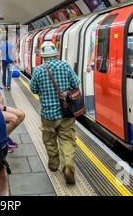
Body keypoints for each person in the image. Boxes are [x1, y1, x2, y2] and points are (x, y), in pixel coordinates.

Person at [30, 41, 80, 185]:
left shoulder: (38, 70)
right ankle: (68, 166)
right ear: (55, 53)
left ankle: (53, 164)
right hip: (66, 113)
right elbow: (75, 83)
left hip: (48, 114)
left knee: (50, 140)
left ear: (43, 56)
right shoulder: (64, 66)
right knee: (67, 140)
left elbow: (33, 89)